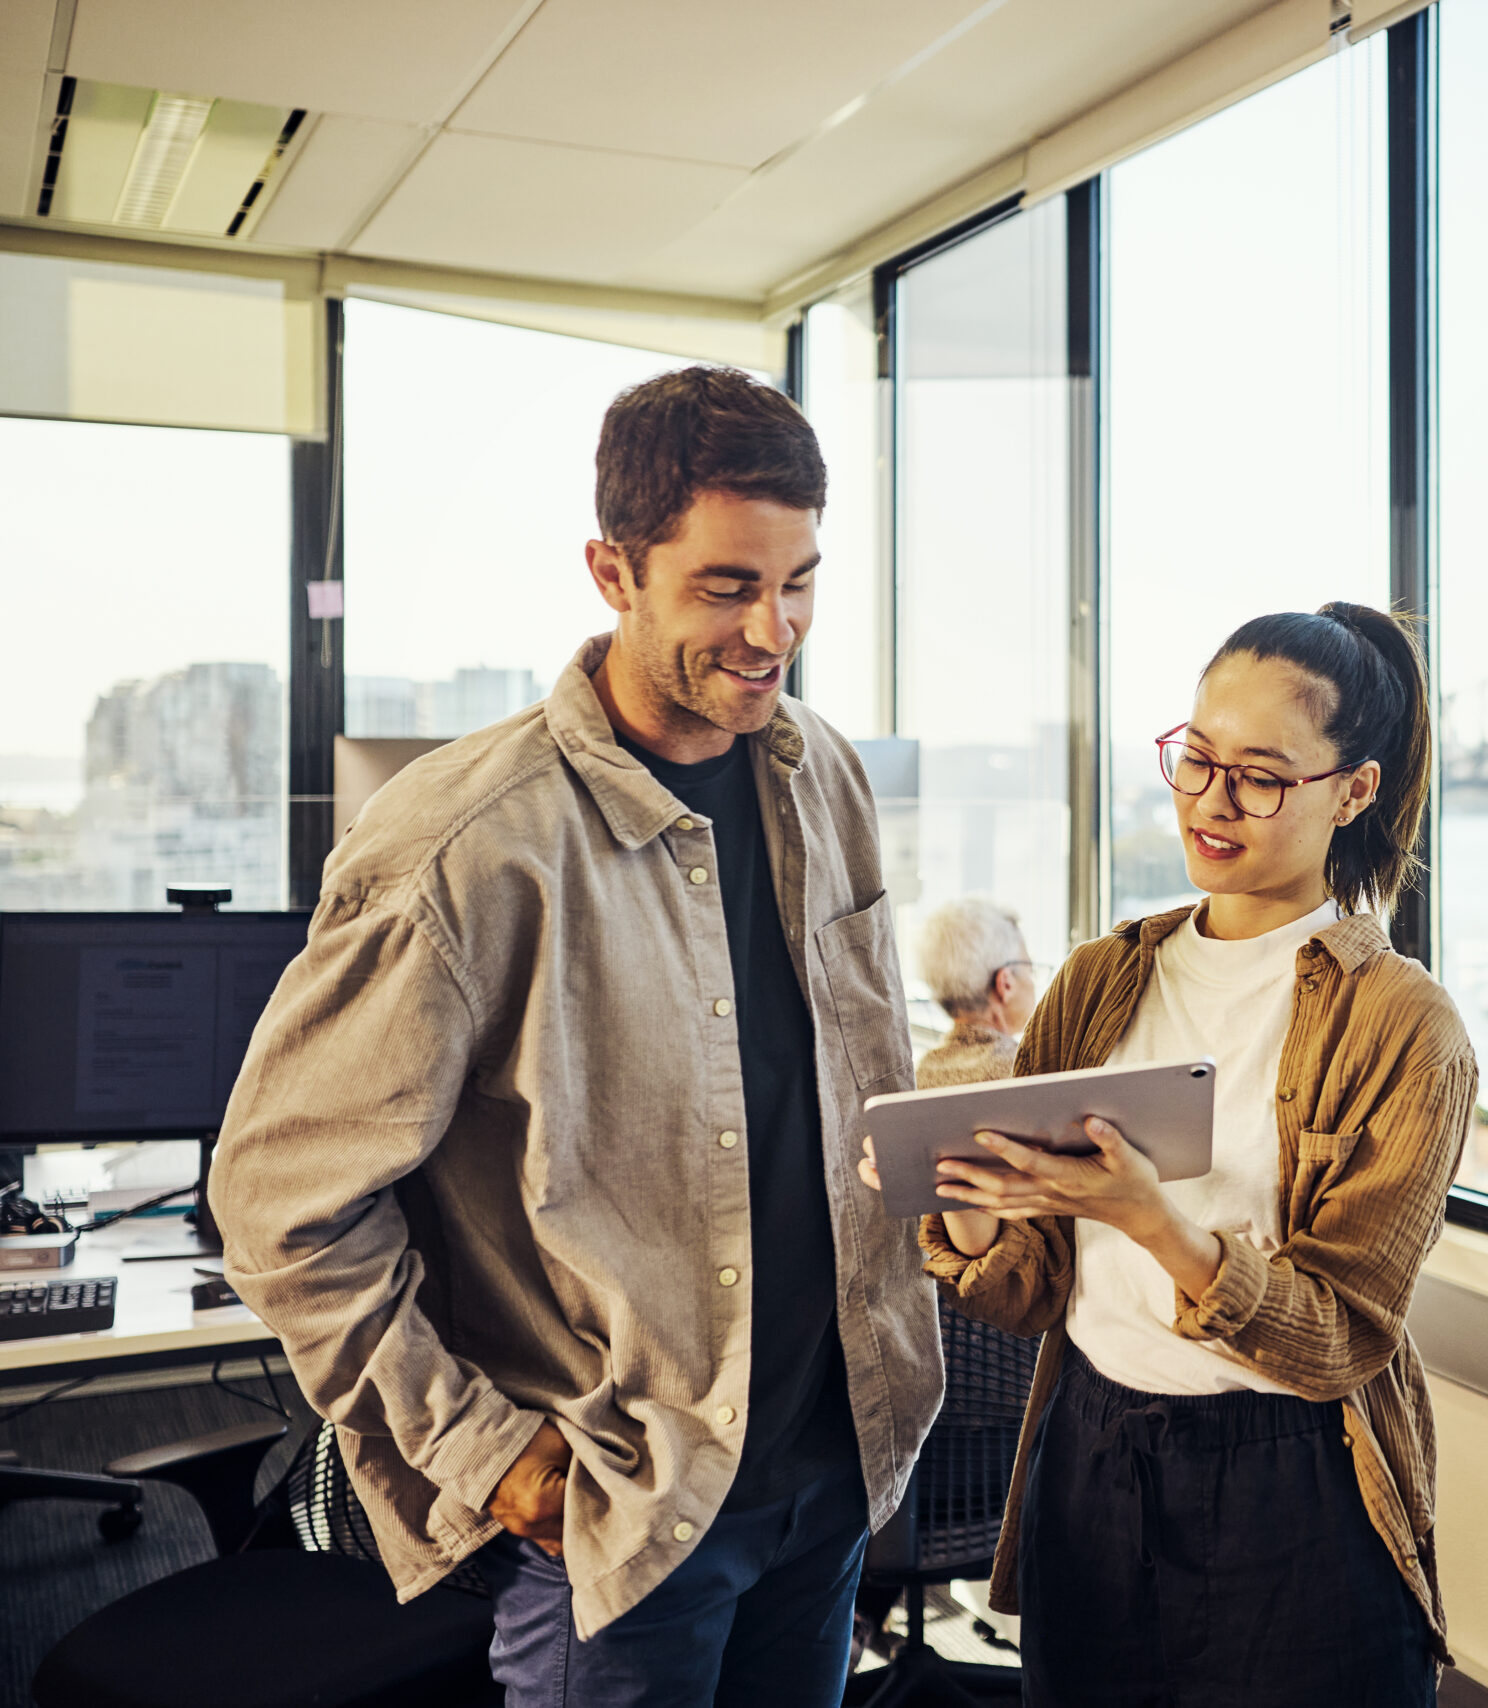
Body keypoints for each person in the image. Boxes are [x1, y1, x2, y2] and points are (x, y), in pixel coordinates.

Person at [211, 366, 943, 1708]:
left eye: (801, 582)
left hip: (829, 1469)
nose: (773, 631)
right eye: (727, 586)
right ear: (615, 569)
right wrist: (486, 1454)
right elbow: (278, 1205)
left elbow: (841, 1075)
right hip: (626, 1505)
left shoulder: (822, 772)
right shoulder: (463, 843)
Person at [876, 601, 1475, 1707]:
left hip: (1297, 1483)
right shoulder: (1103, 978)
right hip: (1090, 1452)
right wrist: (960, 1195)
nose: (1210, 802)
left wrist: (1149, 1216)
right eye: (1195, 759)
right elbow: (1027, 1291)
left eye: (1259, 775)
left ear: (1354, 790)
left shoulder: (1402, 1024)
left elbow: (1340, 1336)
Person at [912, 897, 1039, 1089]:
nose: (1033, 980)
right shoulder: (1025, 1075)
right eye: (1030, 968)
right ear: (1005, 984)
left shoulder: (921, 1073)